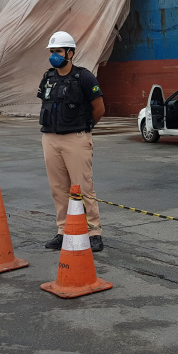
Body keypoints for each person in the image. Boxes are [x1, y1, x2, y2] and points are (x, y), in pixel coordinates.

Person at [38, 31, 106, 252]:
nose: (54, 55)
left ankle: (93, 232)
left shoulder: (84, 77)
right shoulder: (48, 77)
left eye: (58, 51)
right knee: (58, 188)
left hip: (76, 138)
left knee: (83, 187)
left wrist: (84, 128)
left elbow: (99, 108)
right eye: (52, 51)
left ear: (70, 53)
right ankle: (64, 230)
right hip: (50, 138)